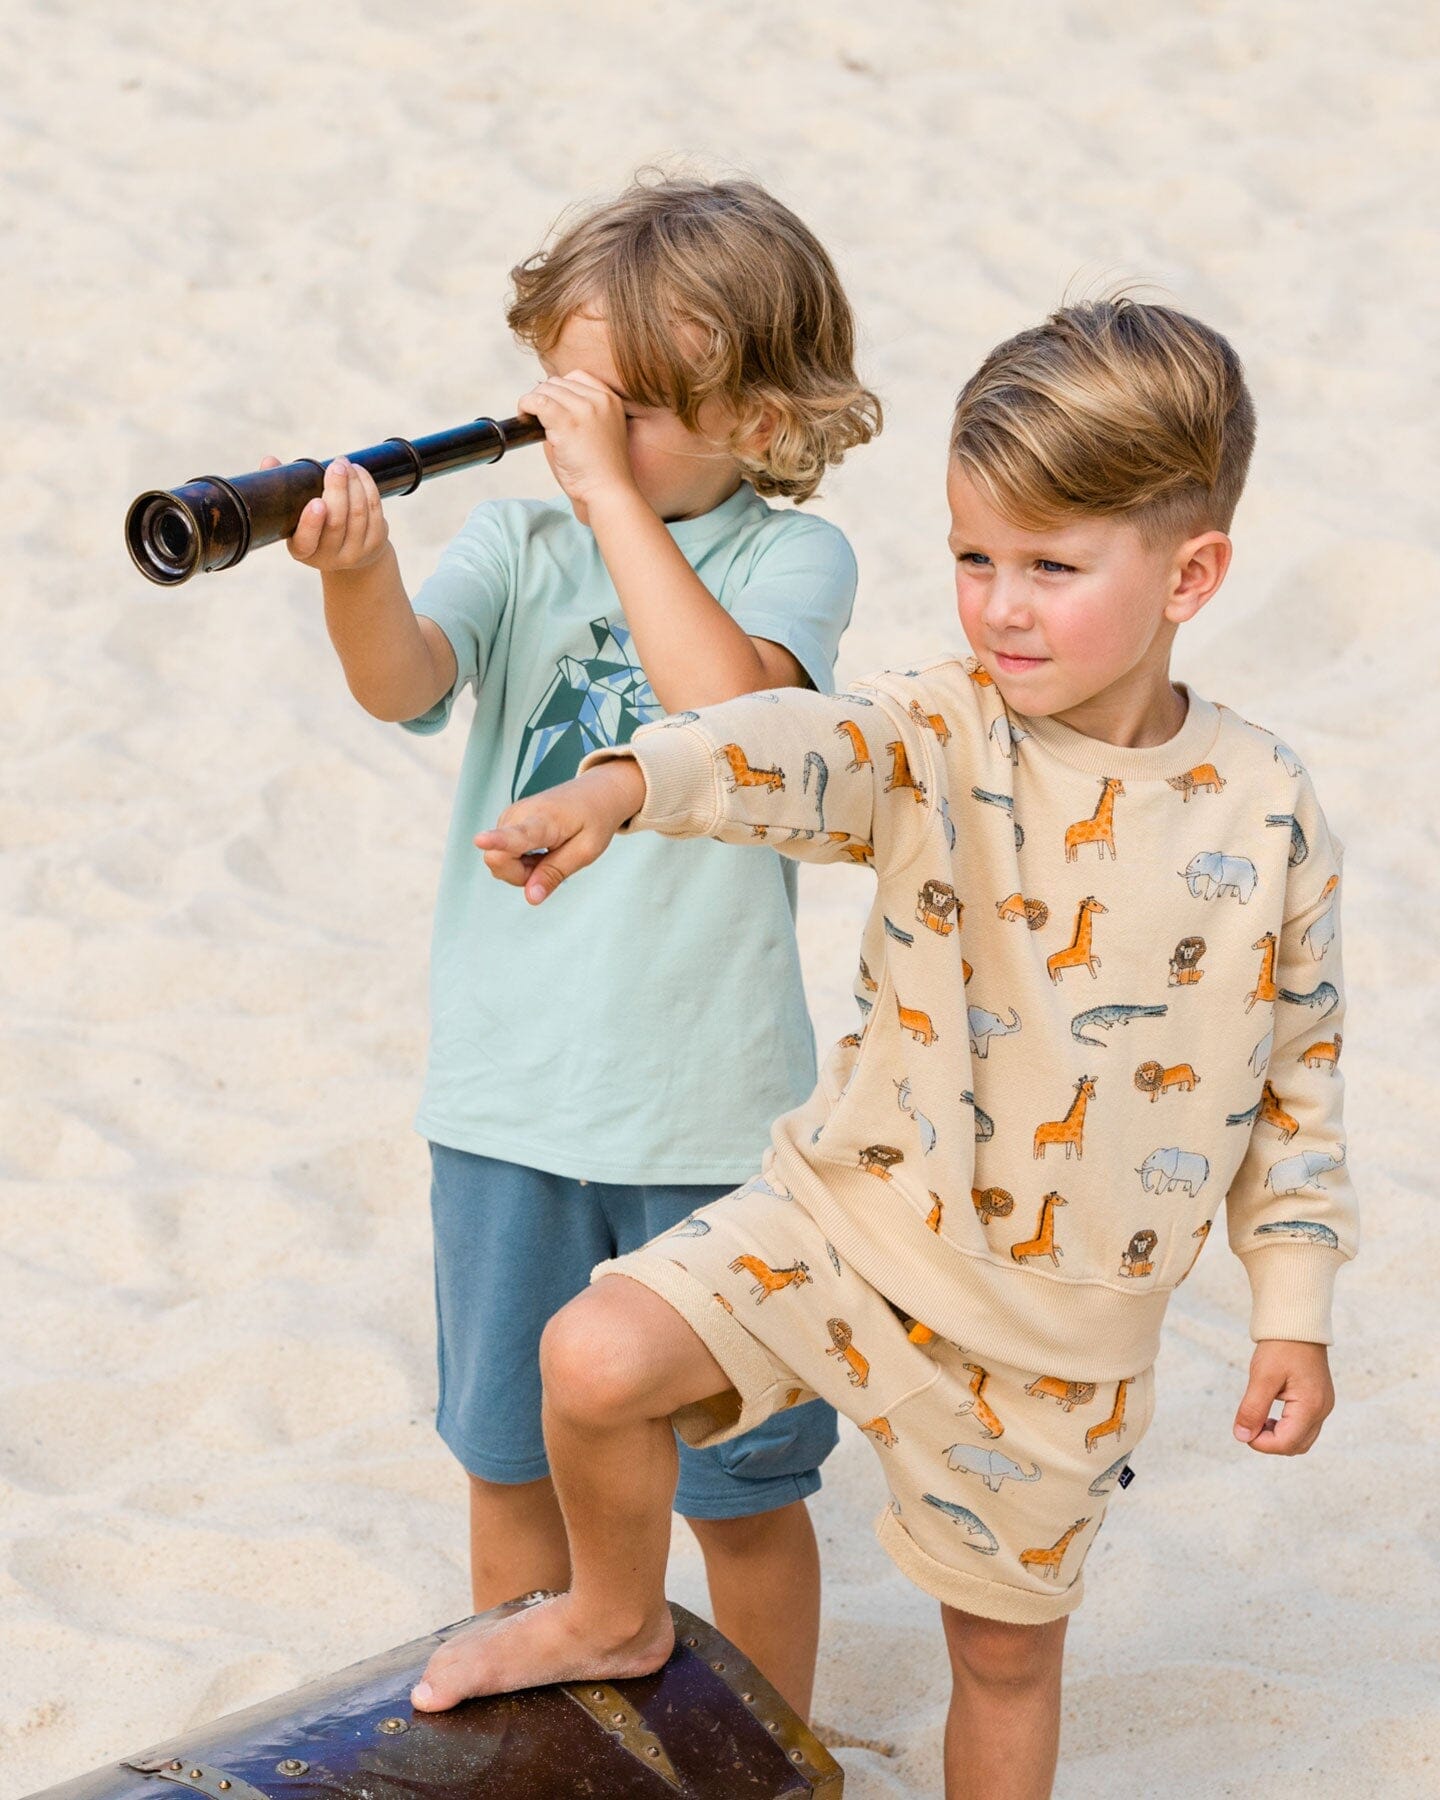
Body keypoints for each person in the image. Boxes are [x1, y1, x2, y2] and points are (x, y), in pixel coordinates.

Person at [411, 299, 1359, 1800]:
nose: (1001, 609)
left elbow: (1298, 1075)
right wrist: (621, 787)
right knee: (591, 1357)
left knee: (1003, 1660)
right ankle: (612, 1612)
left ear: (1191, 575)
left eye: (1051, 568)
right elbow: (785, 746)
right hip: (848, 1229)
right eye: (975, 559)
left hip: (1052, 1335)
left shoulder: (1268, 809)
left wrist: (1291, 1310)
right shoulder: (938, 729)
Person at [271, 174, 881, 1718]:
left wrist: (610, 498)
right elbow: (403, 684)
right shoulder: (519, 543)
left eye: (634, 411)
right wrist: (359, 575)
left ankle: (771, 1747)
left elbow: (735, 717)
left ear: (762, 419)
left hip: (709, 1114)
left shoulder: (791, 561)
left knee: (743, 1482)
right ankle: (548, 1737)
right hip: (508, 1097)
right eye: (570, 398)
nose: (583, 436)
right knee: (509, 1453)